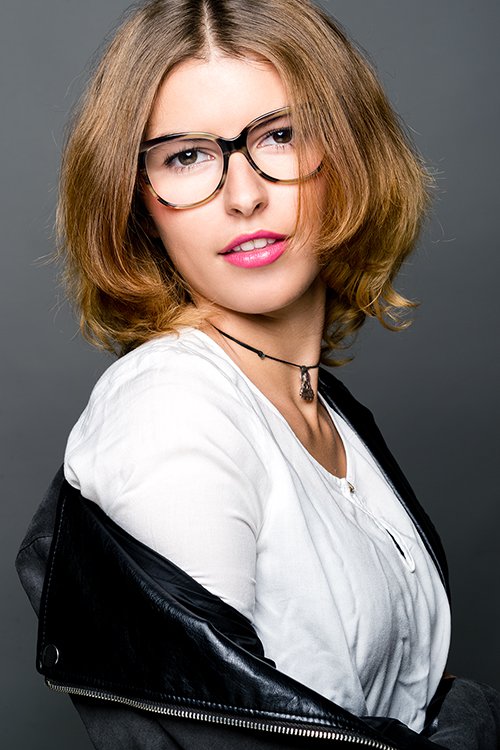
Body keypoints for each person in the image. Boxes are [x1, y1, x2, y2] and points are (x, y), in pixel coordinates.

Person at [16, 0, 500, 748]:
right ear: (138, 203)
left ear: (349, 153)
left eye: (280, 136)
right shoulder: (174, 411)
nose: (244, 196)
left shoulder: (321, 407)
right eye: (186, 157)